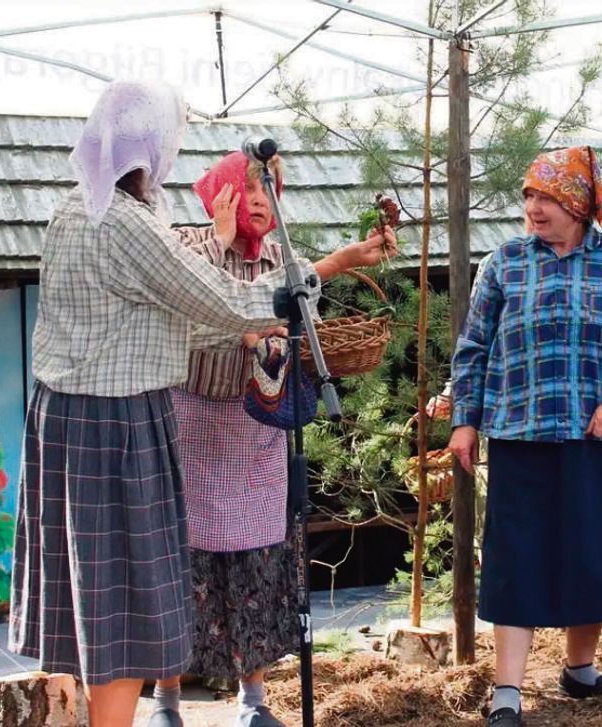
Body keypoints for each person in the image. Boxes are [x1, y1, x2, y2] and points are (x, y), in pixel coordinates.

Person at [8, 80, 307, 727]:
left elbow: (158, 321)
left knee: (88, 604)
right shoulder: (125, 223)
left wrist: (245, 324)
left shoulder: (70, 212)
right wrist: (287, 301)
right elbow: (208, 296)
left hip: (64, 422)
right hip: (114, 423)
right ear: (150, 148)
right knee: (123, 600)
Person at [146, 151, 396, 727]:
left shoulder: (283, 258)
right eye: (252, 184)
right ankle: (166, 700)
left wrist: (348, 260)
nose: (261, 198)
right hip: (193, 421)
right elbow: (177, 306)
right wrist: (219, 239)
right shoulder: (185, 243)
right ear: (222, 191)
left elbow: (302, 296)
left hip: (255, 430)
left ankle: (253, 701)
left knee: (258, 561)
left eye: (271, 188)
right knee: (189, 565)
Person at [448, 146, 602, 727]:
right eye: (529, 196)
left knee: (591, 555)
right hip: (522, 432)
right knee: (516, 561)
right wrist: (465, 419)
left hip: (600, 436)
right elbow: (473, 350)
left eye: (546, 197)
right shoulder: (504, 263)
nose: (533, 208)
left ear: (576, 203)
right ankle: (507, 694)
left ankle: (578, 668)